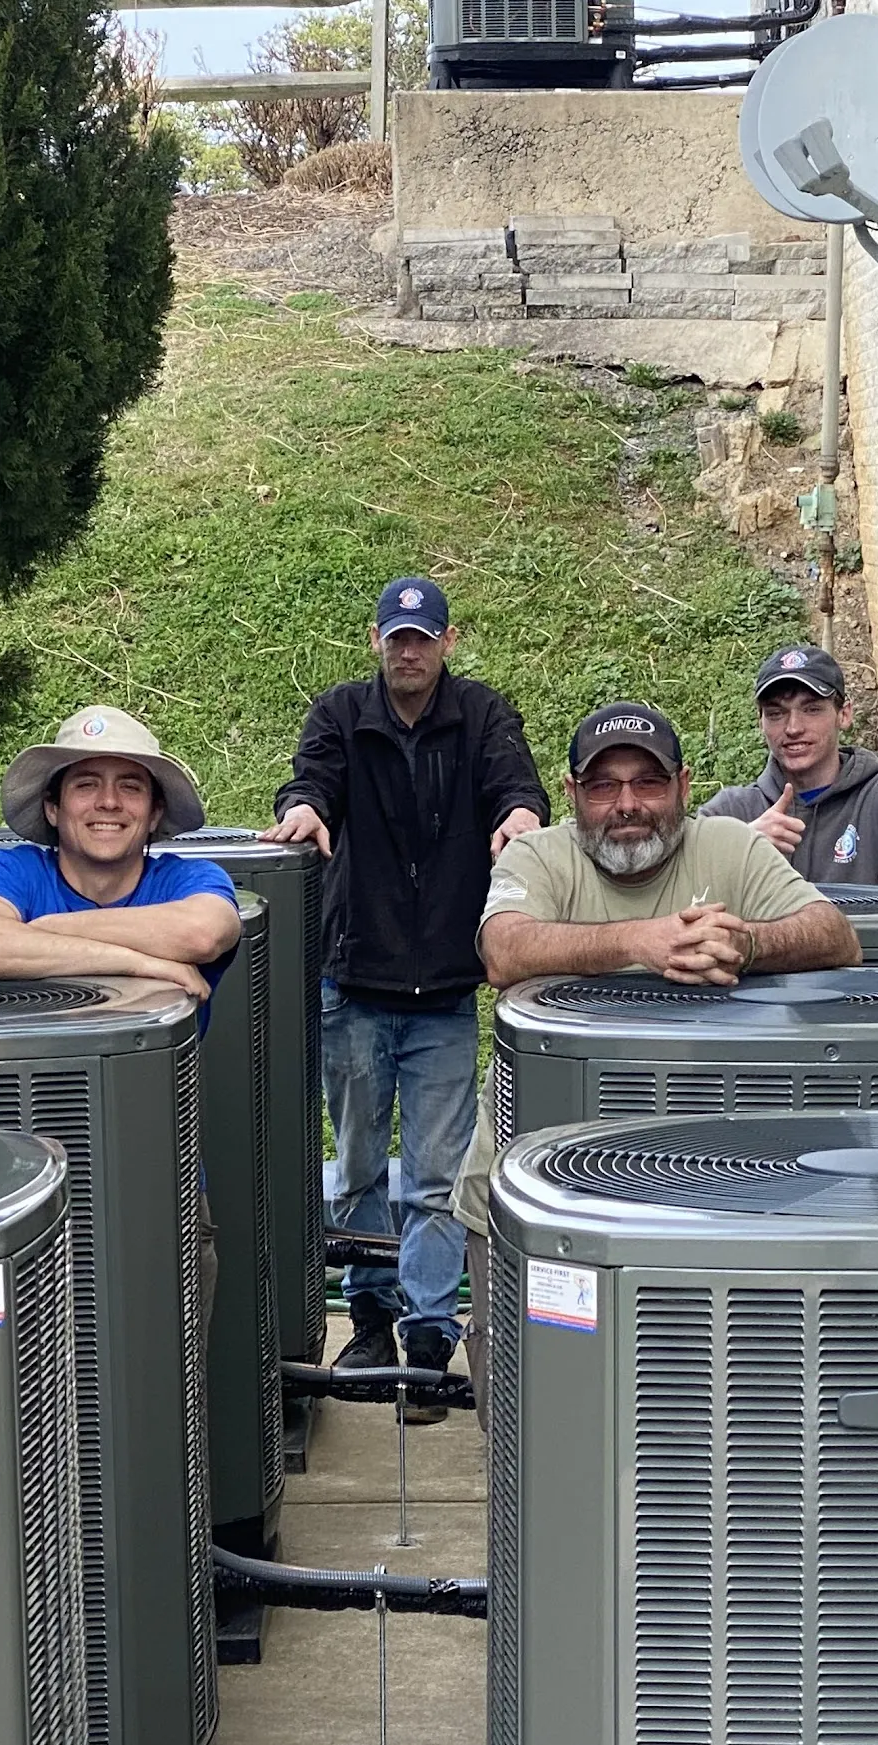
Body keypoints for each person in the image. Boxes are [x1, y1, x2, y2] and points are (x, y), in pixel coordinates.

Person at [456, 700, 861, 1413]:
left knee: (698, 1407)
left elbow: (836, 936)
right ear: (572, 792)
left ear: (683, 785)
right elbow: (503, 950)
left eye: (647, 783)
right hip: (536, 1196)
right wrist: (638, 941)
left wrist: (750, 943)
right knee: (537, 1408)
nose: (627, 805)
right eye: (603, 786)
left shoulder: (728, 848)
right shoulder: (538, 856)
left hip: (705, 1196)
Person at [263, 576, 547, 1392]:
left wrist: (521, 815)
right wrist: (305, 808)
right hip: (353, 986)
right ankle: (369, 1320)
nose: (409, 652)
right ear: (377, 641)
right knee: (355, 1168)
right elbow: (312, 780)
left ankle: (428, 1336)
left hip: (446, 996)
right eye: (397, 639)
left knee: (435, 1180)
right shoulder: (340, 714)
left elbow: (515, 783)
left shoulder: (482, 715)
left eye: (423, 639)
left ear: (448, 642)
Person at [0, 705, 241, 1004]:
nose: (109, 802)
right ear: (53, 809)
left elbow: (203, 934)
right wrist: (140, 964)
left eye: (130, 787)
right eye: (86, 785)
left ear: (154, 814)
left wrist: (48, 928)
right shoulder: (9, 870)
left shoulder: (189, 878)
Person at [699, 644, 878, 887]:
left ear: (844, 714)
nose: (793, 728)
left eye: (811, 709)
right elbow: (683, 863)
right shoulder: (733, 810)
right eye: (776, 714)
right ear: (761, 723)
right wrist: (740, 846)